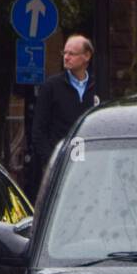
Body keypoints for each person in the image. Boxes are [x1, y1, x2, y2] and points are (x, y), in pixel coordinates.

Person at [29, 34, 97, 194]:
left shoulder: (98, 86)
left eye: (71, 54)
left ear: (86, 56)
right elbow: (38, 130)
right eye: (64, 53)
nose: (66, 58)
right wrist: (50, 160)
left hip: (92, 163)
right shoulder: (51, 87)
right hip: (61, 164)